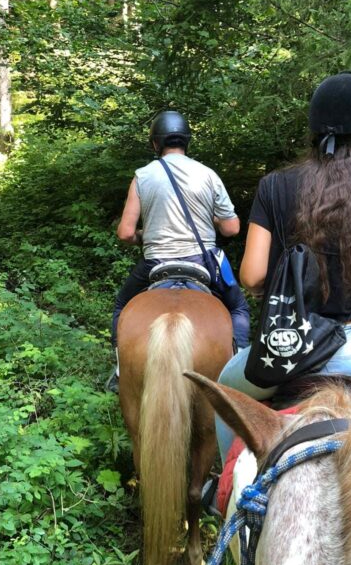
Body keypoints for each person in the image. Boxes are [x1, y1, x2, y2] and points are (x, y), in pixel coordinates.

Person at [214, 72, 351, 464]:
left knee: (228, 393)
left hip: (285, 350)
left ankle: (226, 495)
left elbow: (253, 276)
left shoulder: (274, 185)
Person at [106, 110, 250, 393]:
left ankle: (122, 369)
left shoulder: (143, 176)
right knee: (238, 307)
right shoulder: (208, 174)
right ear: (187, 141)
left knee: (122, 307)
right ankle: (240, 370)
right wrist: (214, 221)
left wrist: (142, 237)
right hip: (203, 262)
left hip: (155, 263)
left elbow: (124, 232)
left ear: (155, 144)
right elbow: (232, 229)